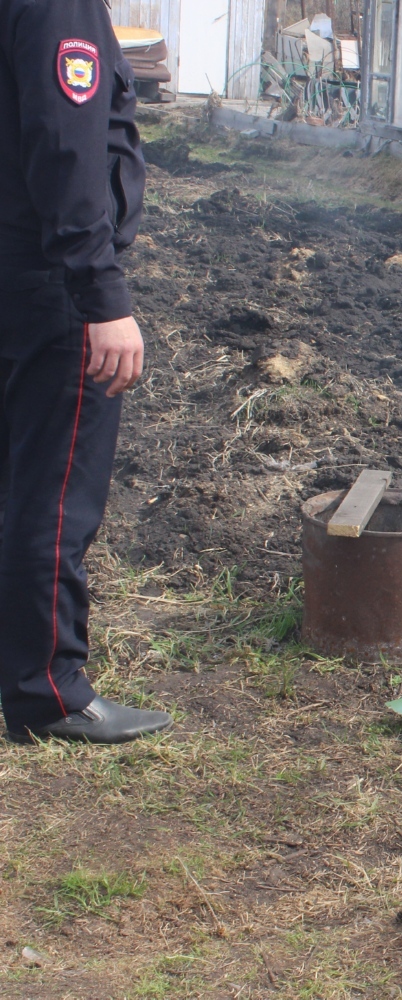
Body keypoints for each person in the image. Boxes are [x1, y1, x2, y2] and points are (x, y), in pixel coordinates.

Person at [0, 0, 170, 742]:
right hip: (49, 281)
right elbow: (66, 145)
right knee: (54, 496)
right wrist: (101, 293)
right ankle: (49, 693)